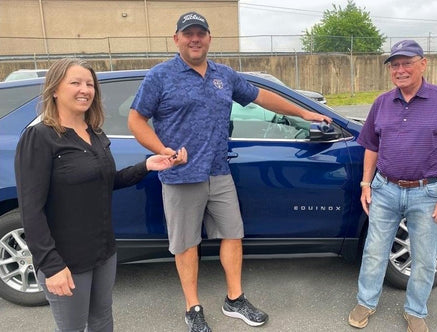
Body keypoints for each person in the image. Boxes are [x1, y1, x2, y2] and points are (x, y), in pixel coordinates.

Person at [127, 11, 331, 332]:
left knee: (233, 235)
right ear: (176, 38)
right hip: (181, 176)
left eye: (201, 33)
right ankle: (192, 307)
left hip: (220, 172)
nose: (195, 39)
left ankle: (234, 299)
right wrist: (161, 149)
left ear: (209, 38)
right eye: (188, 33)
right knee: (186, 244)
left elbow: (263, 97)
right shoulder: (160, 76)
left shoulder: (224, 74)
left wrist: (305, 112)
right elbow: (136, 119)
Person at [14, 58, 185, 332]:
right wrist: (51, 264)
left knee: (103, 320)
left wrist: (146, 166)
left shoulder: (94, 133)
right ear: (55, 89)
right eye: (76, 83)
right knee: (73, 327)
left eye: (90, 84)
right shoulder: (40, 138)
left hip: (104, 251)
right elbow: (31, 209)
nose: (85, 89)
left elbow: (106, 181)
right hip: (67, 258)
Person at [348, 40, 437, 332]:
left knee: (424, 258)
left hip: (429, 192)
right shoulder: (382, 102)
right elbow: (371, 146)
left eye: (407, 63)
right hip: (385, 189)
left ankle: (416, 310)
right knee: (374, 251)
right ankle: (366, 302)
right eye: (395, 65)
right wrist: (366, 183)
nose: (400, 70)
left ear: (423, 63)